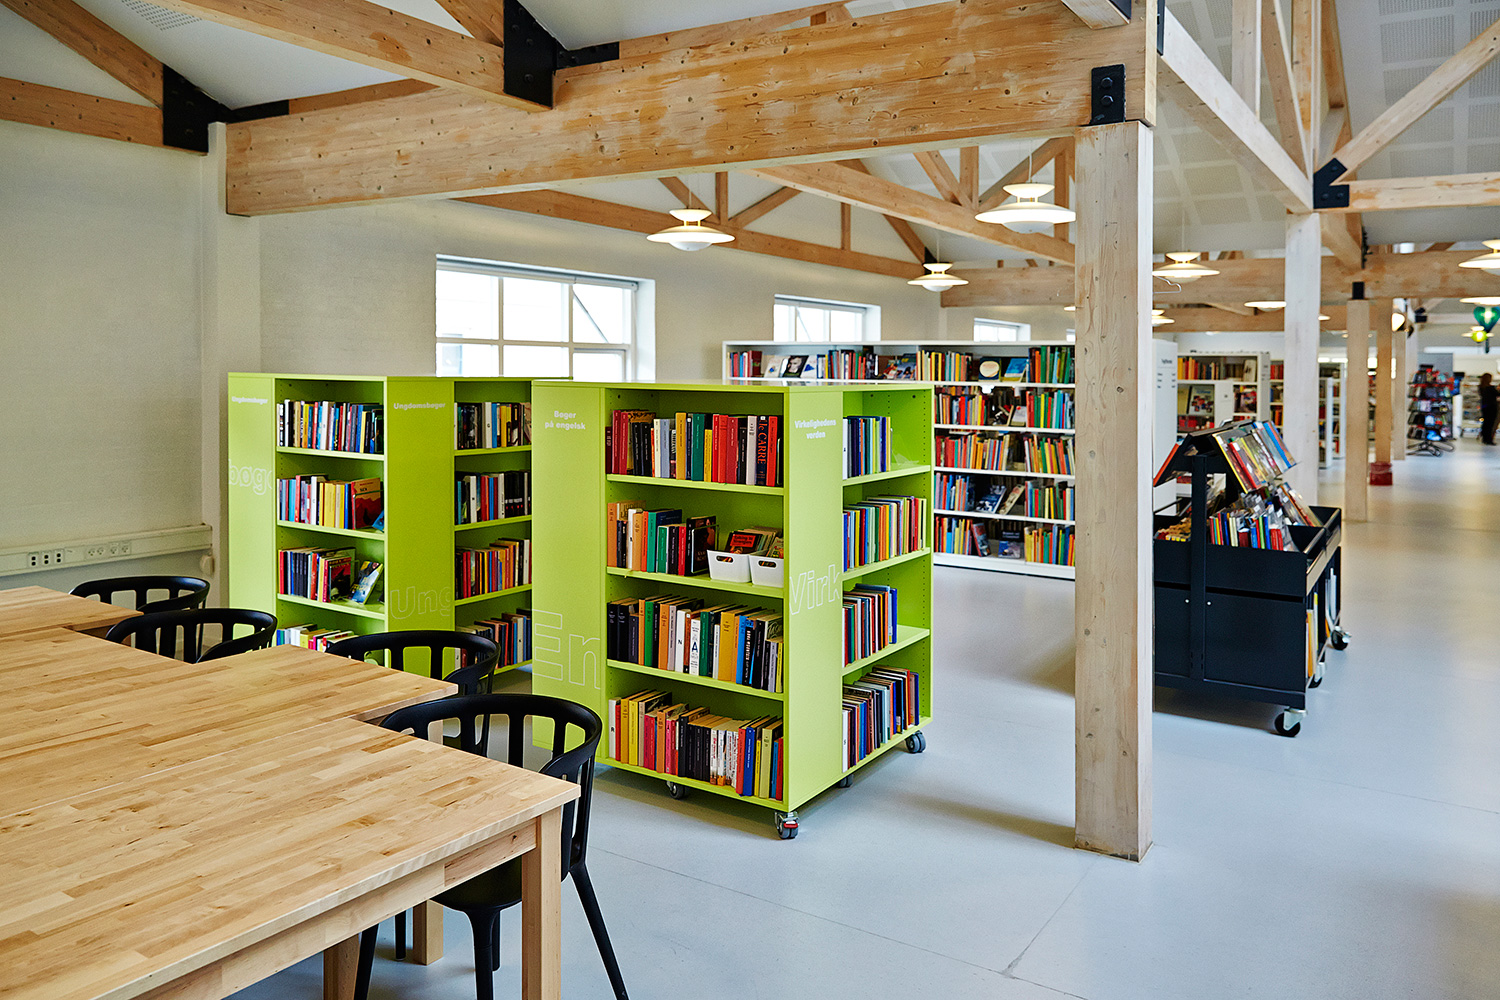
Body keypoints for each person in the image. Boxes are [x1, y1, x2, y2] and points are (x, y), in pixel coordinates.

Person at [1481, 373, 1499, 446]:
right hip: (1492, 407)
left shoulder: (1481, 387)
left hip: (1485, 407)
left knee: (1486, 423)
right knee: (1491, 424)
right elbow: (1498, 394)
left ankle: (1485, 438)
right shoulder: (1490, 388)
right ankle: (1489, 439)